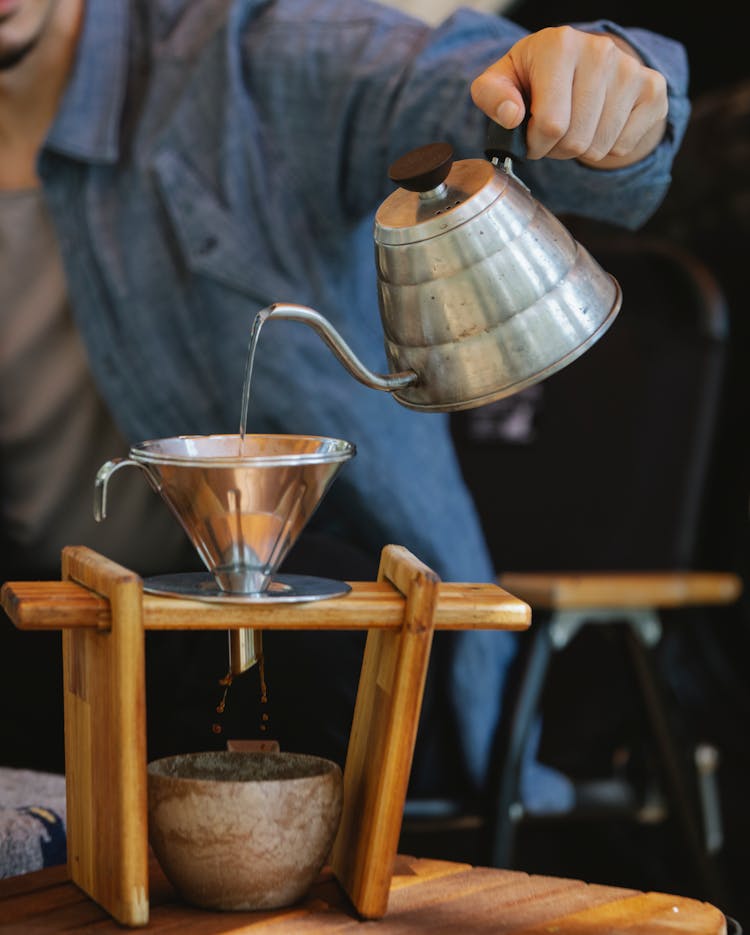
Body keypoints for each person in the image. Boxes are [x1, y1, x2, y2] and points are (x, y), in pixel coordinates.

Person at [0, 0, 689, 816]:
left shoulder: (248, 56)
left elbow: (460, 90)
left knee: (299, 648)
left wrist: (598, 89)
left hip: (313, 637)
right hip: (49, 627)